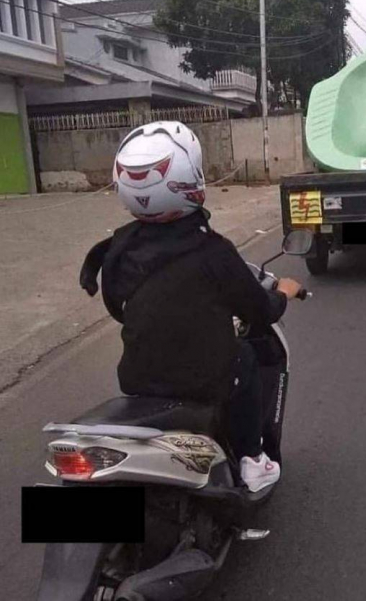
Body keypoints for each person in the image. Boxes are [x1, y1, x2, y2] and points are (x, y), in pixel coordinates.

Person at [79, 122, 302, 492]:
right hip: (205, 379)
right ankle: (252, 459)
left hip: (137, 378)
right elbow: (260, 312)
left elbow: (117, 307)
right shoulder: (213, 251)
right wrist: (284, 293)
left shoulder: (119, 247)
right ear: (189, 179)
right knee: (246, 358)